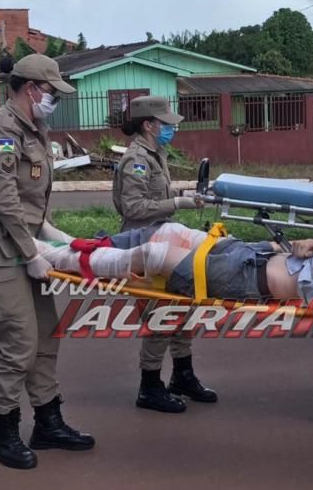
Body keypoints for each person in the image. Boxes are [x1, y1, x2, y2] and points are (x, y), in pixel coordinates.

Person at [0, 54, 94, 470]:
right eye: (51, 92)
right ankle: (2, 432)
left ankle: (48, 422)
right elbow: (3, 199)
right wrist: (33, 252)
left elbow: (31, 199)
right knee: (19, 342)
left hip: (23, 243)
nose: (54, 99)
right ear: (31, 88)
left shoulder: (33, 126)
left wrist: (54, 234)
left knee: (46, 335)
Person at [29, 222, 313, 302]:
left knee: (155, 254)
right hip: (253, 257)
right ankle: (78, 244)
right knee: (169, 230)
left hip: (246, 279)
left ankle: (55, 257)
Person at [113, 96, 213, 414]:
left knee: (183, 306)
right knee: (159, 314)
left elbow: (160, 195)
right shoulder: (136, 160)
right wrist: (178, 204)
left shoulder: (158, 153)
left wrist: (184, 197)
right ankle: (150, 386)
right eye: (166, 123)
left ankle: (183, 375)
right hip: (143, 245)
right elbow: (134, 207)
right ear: (148, 124)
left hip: (162, 239)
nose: (171, 128)